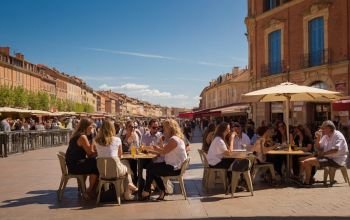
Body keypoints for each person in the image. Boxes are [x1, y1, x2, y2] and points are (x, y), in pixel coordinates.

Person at [142, 119, 187, 201]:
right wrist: (161, 143)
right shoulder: (176, 138)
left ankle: (148, 190)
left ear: (170, 128)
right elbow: (165, 151)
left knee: (151, 169)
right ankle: (156, 190)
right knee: (151, 166)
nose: (163, 130)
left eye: (164, 128)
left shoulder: (174, 139)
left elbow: (163, 152)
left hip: (174, 168)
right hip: (174, 166)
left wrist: (155, 148)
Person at [95, 120, 137, 200]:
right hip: (115, 170)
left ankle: (126, 190)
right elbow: (120, 156)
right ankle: (128, 189)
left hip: (102, 171)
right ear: (112, 129)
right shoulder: (117, 140)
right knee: (125, 163)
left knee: (123, 165)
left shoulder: (97, 140)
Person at [300, 120, 349, 186]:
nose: (321, 129)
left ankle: (306, 182)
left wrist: (323, 153)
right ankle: (307, 180)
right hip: (328, 158)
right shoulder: (326, 136)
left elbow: (335, 150)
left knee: (306, 162)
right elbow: (318, 147)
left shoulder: (338, 135)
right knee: (304, 161)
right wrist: (318, 137)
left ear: (329, 128)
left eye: (323, 128)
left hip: (336, 160)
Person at [65, 118, 99, 200]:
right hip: (76, 166)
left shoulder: (77, 135)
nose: (92, 128)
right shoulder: (82, 137)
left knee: (95, 164)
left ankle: (87, 189)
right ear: (86, 127)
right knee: (97, 165)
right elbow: (90, 153)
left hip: (72, 164)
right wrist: (94, 140)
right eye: (91, 127)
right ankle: (89, 190)